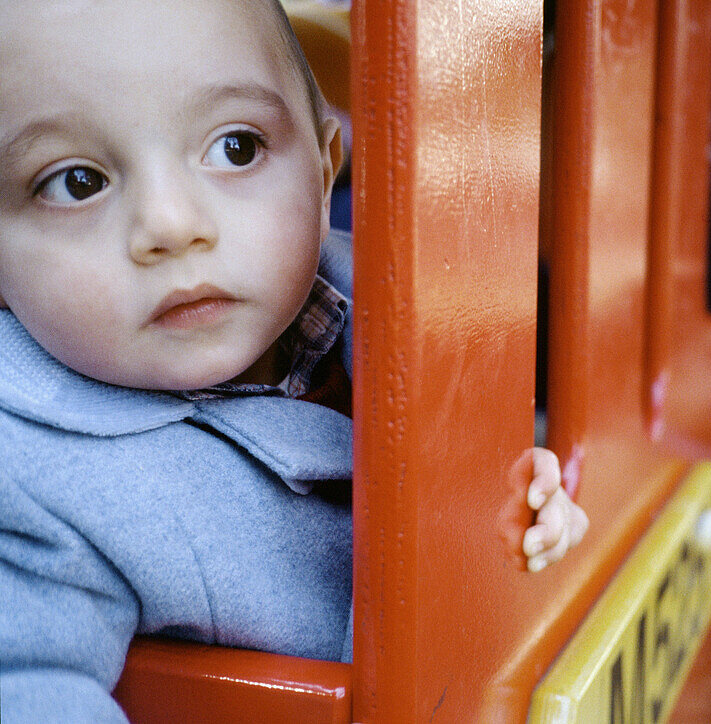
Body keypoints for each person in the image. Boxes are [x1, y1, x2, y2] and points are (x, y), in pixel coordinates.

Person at [0, 1, 588, 721]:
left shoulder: (402, 305)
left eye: (237, 147)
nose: (171, 226)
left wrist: (533, 509)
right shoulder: (28, 482)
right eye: (77, 182)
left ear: (324, 168)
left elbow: (480, 461)